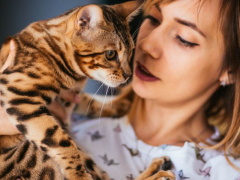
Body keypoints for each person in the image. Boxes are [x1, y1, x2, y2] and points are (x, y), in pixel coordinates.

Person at [1, 0, 240, 179]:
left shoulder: (228, 173)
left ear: (230, 68)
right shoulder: (69, 116)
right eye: (153, 20)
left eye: (184, 38)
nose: (146, 45)